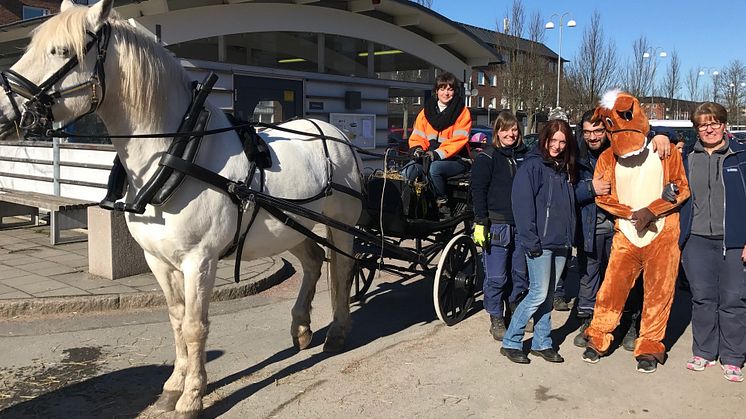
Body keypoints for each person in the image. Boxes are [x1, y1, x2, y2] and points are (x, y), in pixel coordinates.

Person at [581, 90, 689, 374]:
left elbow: (682, 187)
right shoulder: (607, 158)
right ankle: (598, 337)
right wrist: (629, 213)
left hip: (662, 235)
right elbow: (601, 195)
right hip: (626, 235)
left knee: (658, 294)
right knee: (611, 291)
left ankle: (650, 346)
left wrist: (651, 210)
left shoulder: (663, 149)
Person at [500, 119, 577, 364]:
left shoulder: (564, 168)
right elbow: (522, 206)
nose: (557, 146)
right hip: (539, 242)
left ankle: (542, 342)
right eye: (553, 140)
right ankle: (511, 340)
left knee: (548, 294)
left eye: (562, 141)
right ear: (544, 139)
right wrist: (530, 239)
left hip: (560, 242)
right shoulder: (532, 167)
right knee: (537, 293)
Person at [679, 102, 746, 383]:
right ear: (696, 129)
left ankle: (732, 357)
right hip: (696, 240)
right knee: (703, 299)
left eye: (714, 123)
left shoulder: (740, 156)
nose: (709, 129)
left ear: (724, 125)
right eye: (703, 124)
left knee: (733, 300)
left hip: (733, 241)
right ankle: (704, 351)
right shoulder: (686, 158)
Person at [471, 110, 529, 341]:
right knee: (496, 276)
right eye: (505, 129)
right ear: (497, 132)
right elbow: (478, 191)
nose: (511, 134)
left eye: (514, 129)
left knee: (519, 275)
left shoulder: (527, 156)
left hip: (522, 224)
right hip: (497, 225)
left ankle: (514, 311)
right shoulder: (487, 158)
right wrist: (480, 222)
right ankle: (496, 317)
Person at [405, 72, 472, 207]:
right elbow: (418, 136)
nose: (446, 93)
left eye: (450, 89)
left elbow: (459, 140)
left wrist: (436, 153)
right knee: (408, 170)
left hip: (457, 159)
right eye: (442, 89)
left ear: (455, 91)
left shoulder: (462, 112)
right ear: (436, 91)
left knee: (434, 169)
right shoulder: (425, 112)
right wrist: (417, 149)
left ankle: (442, 201)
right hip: (429, 157)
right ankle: (406, 205)